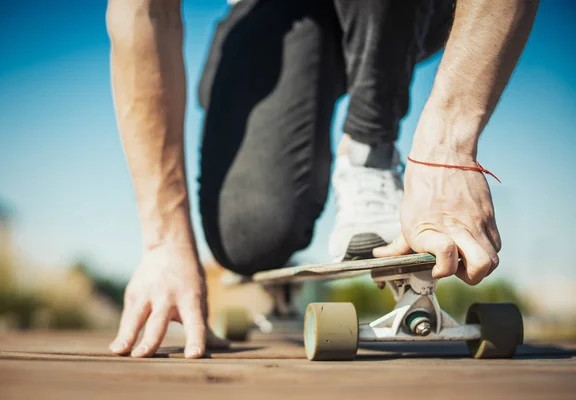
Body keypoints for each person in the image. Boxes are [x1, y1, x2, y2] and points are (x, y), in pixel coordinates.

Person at [105, 0, 538, 359]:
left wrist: (449, 147)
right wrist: (164, 242)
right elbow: (144, 13)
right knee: (251, 236)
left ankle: (369, 151)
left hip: (406, 13)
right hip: (272, 16)